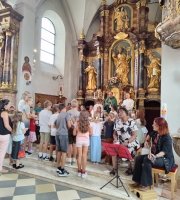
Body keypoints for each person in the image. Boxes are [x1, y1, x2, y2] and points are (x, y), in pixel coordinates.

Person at [132, 117, 175, 191]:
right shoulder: (156, 133)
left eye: (154, 124)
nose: (152, 125)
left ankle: (146, 184)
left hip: (165, 159)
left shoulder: (167, 138)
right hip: (157, 156)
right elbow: (150, 134)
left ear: (160, 126)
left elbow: (163, 152)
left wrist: (154, 156)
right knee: (138, 158)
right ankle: (137, 181)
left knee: (147, 160)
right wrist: (146, 140)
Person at [111, 107, 140, 176]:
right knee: (113, 149)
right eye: (119, 112)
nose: (120, 113)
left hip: (131, 140)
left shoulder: (131, 122)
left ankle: (129, 168)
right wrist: (115, 139)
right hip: (121, 140)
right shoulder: (117, 122)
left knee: (129, 149)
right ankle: (114, 168)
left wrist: (127, 142)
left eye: (122, 112)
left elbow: (134, 135)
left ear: (126, 113)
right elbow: (114, 134)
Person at [73, 110, 93, 178]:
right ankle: (83, 172)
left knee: (79, 156)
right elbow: (91, 133)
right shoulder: (89, 123)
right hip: (86, 140)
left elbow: (74, 133)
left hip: (79, 140)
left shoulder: (77, 123)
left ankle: (79, 171)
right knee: (84, 156)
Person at [55, 104, 71, 176]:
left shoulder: (58, 115)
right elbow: (69, 125)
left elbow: (55, 125)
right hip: (63, 134)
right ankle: (62, 169)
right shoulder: (66, 114)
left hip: (57, 133)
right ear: (65, 107)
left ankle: (58, 167)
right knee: (64, 152)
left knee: (59, 151)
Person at [0, 99, 12, 173]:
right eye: (9, 104)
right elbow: (7, 125)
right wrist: (12, 131)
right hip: (4, 134)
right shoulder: (4, 113)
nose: (10, 105)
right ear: (5, 105)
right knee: (1, 152)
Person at [66, 99, 80, 165]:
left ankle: (69, 159)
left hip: (69, 128)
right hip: (76, 129)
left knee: (69, 144)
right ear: (77, 105)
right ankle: (74, 159)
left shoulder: (68, 112)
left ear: (71, 105)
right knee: (75, 144)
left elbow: (66, 121)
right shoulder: (79, 113)